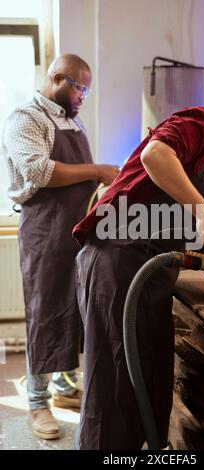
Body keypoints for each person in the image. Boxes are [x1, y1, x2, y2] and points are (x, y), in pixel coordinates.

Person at [73, 104, 204, 450]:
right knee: (113, 391)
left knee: (151, 387)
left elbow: (167, 223)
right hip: (115, 260)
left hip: (151, 275)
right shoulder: (203, 123)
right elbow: (155, 155)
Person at [2, 54, 119, 440]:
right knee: (45, 308)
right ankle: (37, 401)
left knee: (75, 306)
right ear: (57, 79)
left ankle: (64, 385)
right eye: (79, 87)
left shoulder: (71, 119)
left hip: (76, 229)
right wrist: (98, 170)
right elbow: (38, 170)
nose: (84, 95)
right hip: (45, 229)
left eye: (87, 88)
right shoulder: (26, 118)